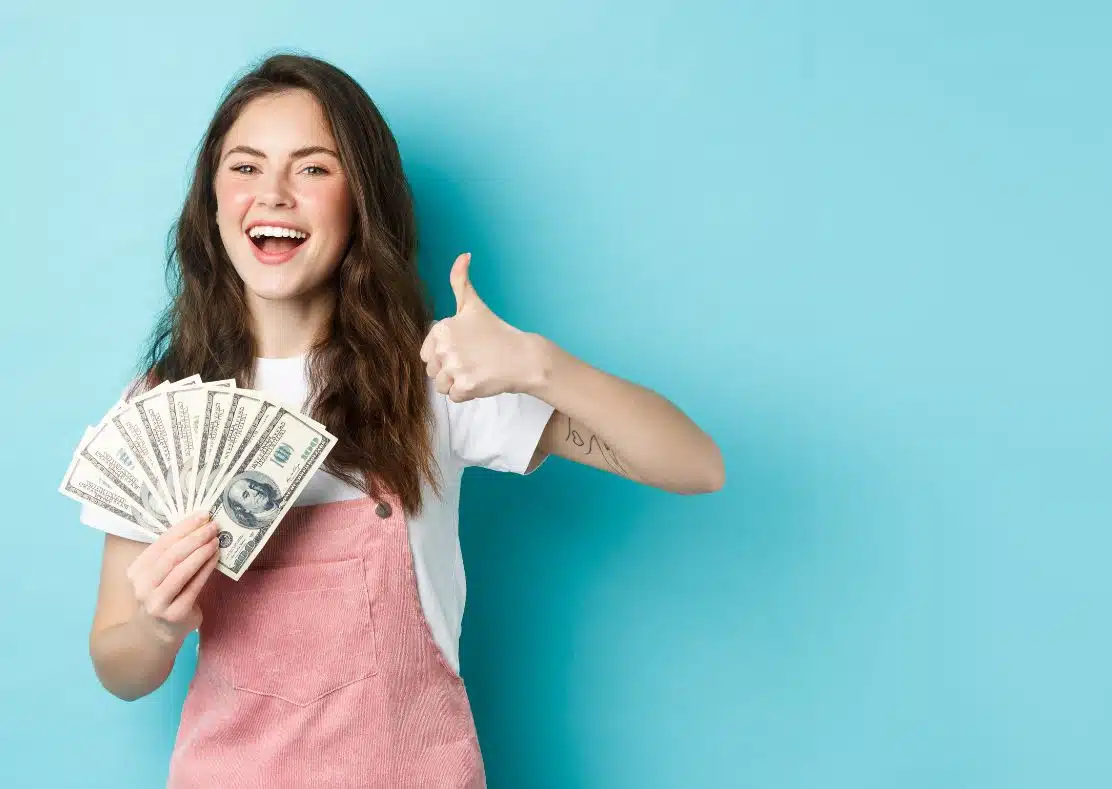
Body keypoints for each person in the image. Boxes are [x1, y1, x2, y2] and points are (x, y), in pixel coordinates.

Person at [84, 52, 724, 788]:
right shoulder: (164, 410)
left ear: (362, 199)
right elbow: (119, 664)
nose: (275, 194)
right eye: (246, 167)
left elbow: (695, 463)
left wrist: (539, 364)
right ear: (212, 200)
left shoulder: (436, 381)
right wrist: (156, 625)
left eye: (314, 168)